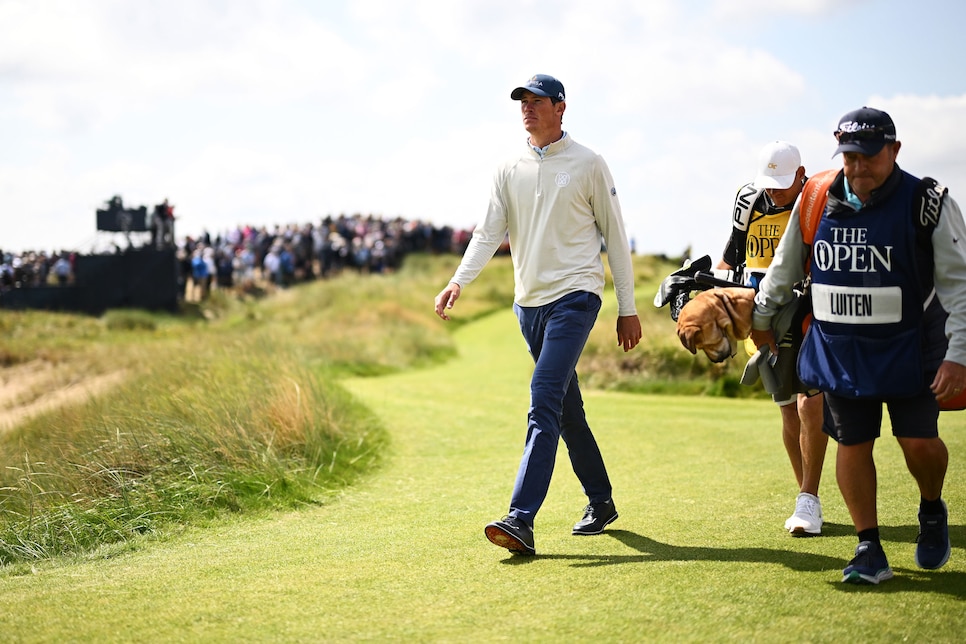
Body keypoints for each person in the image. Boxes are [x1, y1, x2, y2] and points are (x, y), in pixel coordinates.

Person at [750, 107, 966, 584]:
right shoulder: (815, 198)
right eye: (848, 156)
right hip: (840, 349)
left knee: (920, 446)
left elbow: (959, 286)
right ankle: (869, 547)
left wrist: (959, 355)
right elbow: (785, 267)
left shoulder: (927, 202)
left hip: (912, 347)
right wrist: (761, 318)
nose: (857, 166)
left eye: (868, 156)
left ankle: (931, 507)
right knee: (852, 442)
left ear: (894, 150)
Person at [433, 74, 642, 556]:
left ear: (561, 107)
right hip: (528, 305)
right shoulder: (508, 167)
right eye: (522, 102)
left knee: (543, 396)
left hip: (576, 297)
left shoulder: (589, 163)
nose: (527, 108)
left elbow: (615, 237)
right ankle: (601, 500)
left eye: (537, 100)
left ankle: (520, 518)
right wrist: (458, 280)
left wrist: (626, 309)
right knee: (566, 408)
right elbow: (488, 234)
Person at [717, 141, 828, 536]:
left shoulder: (817, 202)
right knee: (787, 409)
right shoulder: (749, 201)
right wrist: (717, 293)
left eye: (783, 183)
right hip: (762, 320)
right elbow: (732, 254)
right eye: (770, 182)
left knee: (808, 405)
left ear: (801, 175)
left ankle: (808, 500)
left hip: (807, 313)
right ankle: (807, 494)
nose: (774, 190)